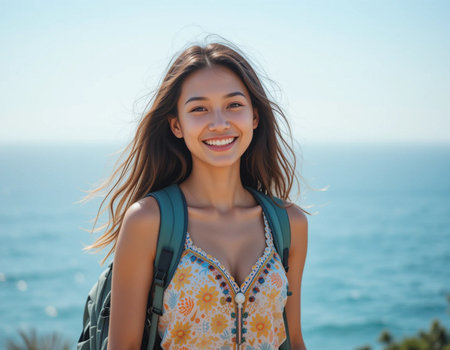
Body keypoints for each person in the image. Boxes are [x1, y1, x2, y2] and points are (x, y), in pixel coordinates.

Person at [82, 40, 309, 350]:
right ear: (177, 125)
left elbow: (293, 340)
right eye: (199, 109)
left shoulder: (289, 224)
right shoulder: (149, 222)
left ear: (254, 117)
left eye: (234, 105)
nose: (218, 123)